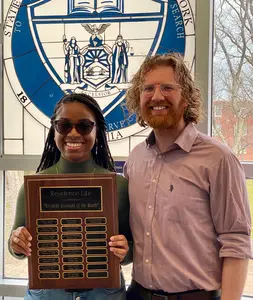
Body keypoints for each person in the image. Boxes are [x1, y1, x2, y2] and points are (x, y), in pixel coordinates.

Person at [124, 53, 252, 300]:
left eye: (168, 87)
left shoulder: (218, 159)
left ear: (186, 99)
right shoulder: (136, 159)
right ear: (138, 99)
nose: (157, 96)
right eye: (148, 88)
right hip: (138, 294)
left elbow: (236, 241)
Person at [8, 93, 132, 300]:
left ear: (97, 131)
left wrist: (125, 251)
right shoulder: (34, 186)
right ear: (54, 130)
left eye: (84, 126)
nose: (73, 133)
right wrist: (17, 243)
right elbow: (17, 248)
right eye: (64, 125)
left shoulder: (119, 186)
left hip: (104, 293)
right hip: (47, 292)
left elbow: (133, 248)